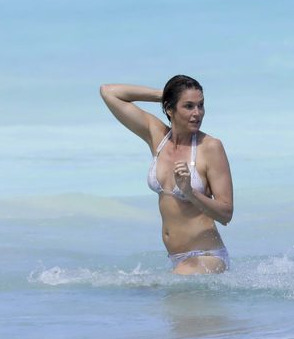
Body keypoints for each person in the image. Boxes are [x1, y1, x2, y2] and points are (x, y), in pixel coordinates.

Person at [100, 76, 233, 274]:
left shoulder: (210, 147)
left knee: (154, 295)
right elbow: (109, 92)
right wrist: (165, 96)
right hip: (177, 260)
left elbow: (225, 214)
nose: (197, 113)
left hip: (206, 257)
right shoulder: (158, 137)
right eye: (188, 106)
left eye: (201, 105)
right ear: (170, 109)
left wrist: (190, 192)